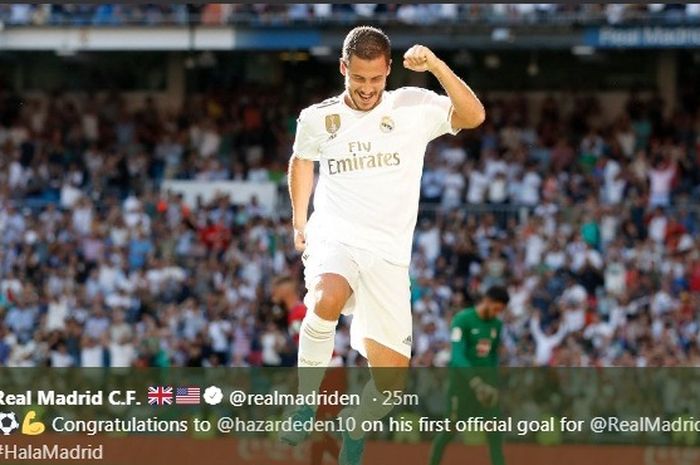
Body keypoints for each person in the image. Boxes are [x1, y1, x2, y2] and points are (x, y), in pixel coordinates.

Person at [283, 25, 486, 465]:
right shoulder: (318, 117)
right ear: (343, 69)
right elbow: (302, 160)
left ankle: (354, 427)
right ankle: (303, 404)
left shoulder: (412, 106)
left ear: (388, 71)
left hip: (389, 256)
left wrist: (434, 66)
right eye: (359, 79)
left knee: (391, 385)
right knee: (325, 297)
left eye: (376, 79)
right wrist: (300, 222)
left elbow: (473, 116)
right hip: (335, 235)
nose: (368, 89)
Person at [429, 286, 510, 465]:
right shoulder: (463, 319)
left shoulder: (497, 324)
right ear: (487, 301)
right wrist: (475, 382)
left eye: (501, 310)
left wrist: (493, 384)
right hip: (462, 385)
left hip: (486, 388)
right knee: (449, 430)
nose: (498, 313)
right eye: (497, 308)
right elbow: (457, 356)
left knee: (495, 433)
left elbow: (493, 356)